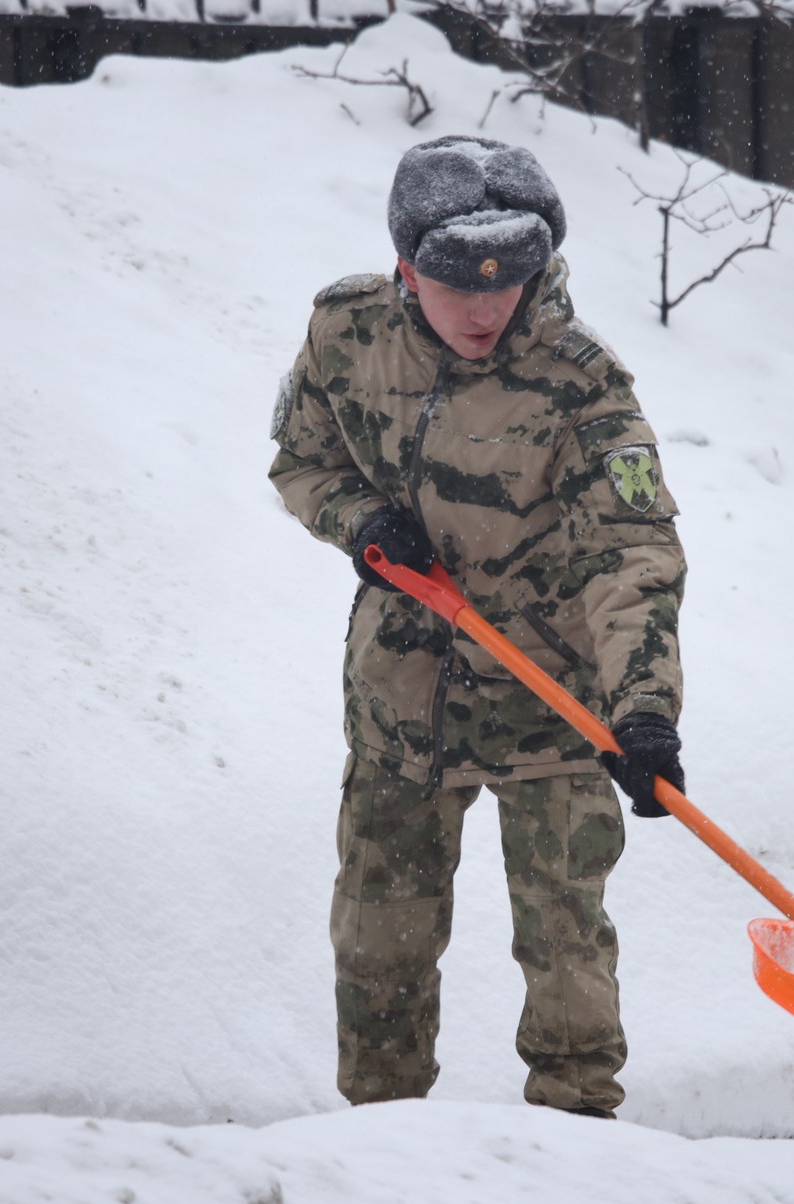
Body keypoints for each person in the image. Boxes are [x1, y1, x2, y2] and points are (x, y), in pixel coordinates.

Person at [268, 136, 686, 1120]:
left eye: (511, 278)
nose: (486, 305)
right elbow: (303, 461)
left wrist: (644, 710)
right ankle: (381, 1138)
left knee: (567, 942)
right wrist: (360, 525)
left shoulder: (585, 384)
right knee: (380, 943)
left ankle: (580, 1134)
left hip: (557, 702)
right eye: (458, 281)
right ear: (407, 267)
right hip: (401, 700)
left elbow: (631, 552)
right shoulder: (347, 332)